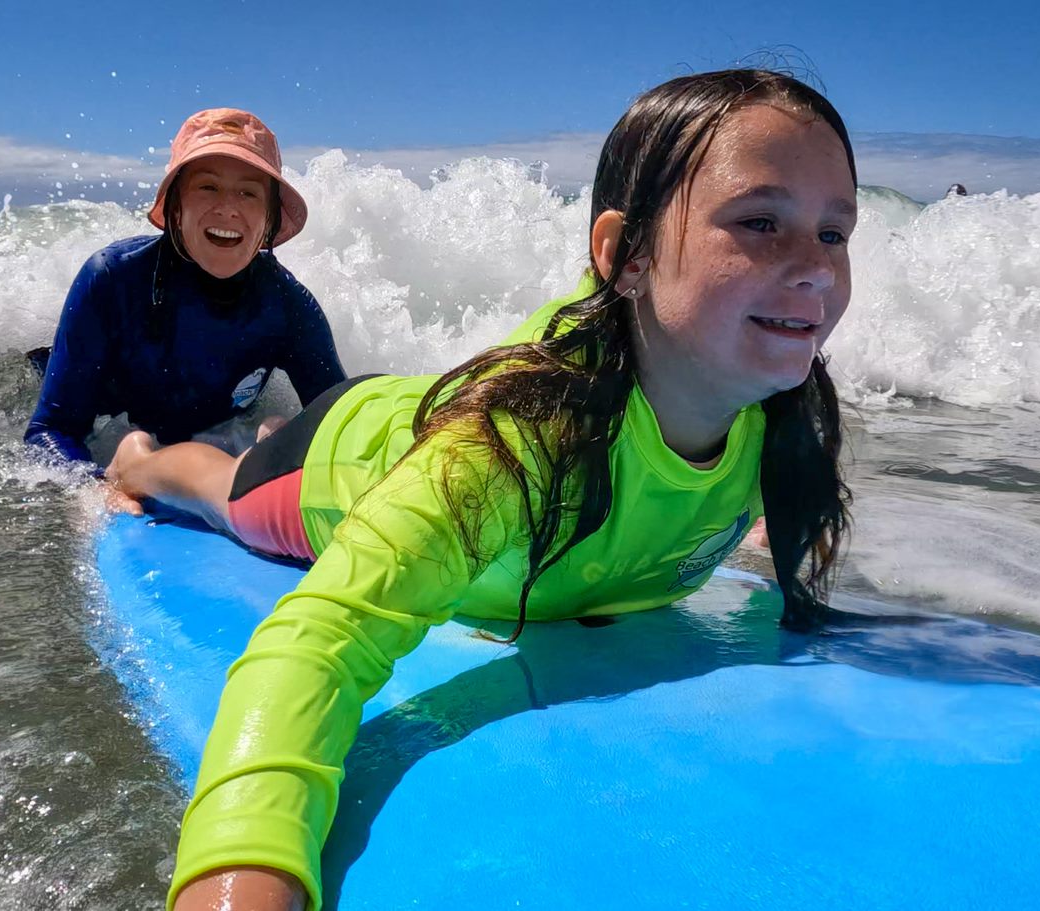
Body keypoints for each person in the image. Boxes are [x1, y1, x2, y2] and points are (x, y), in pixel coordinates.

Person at [110, 69, 857, 911]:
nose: (815, 270)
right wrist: (239, 875)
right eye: (761, 222)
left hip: (435, 411)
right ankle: (144, 457)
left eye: (835, 232)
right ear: (624, 254)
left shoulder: (778, 413)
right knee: (227, 494)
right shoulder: (512, 453)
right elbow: (316, 641)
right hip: (345, 459)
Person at [24, 108, 347, 480]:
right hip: (107, 408)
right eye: (207, 186)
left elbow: (346, 423)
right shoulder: (112, 280)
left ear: (270, 219)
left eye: (248, 193)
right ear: (176, 206)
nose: (228, 208)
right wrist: (91, 488)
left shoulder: (289, 308)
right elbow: (49, 431)